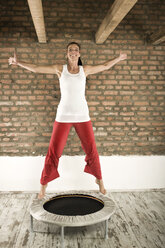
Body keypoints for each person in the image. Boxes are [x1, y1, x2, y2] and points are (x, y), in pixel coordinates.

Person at [8, 42, 127, 199]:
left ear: (79, 54)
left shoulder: (85, 70)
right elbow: (37, 68)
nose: (73, 52)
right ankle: (43, 187)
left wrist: (118, 59)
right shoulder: (60, 69)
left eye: (76, 50)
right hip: (63, 116)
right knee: (53, 152)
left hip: (83, 116)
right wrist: (19, 63)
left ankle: (100, 181)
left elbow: (104, 66)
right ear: (67, 53)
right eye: (70, 50)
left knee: (91, 150)